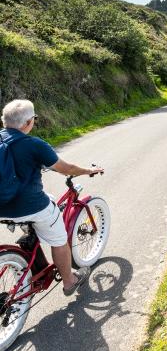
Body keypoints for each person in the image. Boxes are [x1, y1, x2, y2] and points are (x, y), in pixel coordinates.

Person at [0, 100, 103, 296]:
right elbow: (68, 169)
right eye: (34, 119)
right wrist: (89, 170)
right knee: (59, 239)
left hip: (2, 206)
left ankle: (30, 237)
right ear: (28, 122)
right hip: (30, 206)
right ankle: (69, 282)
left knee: (50, 199)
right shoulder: (35, 145)